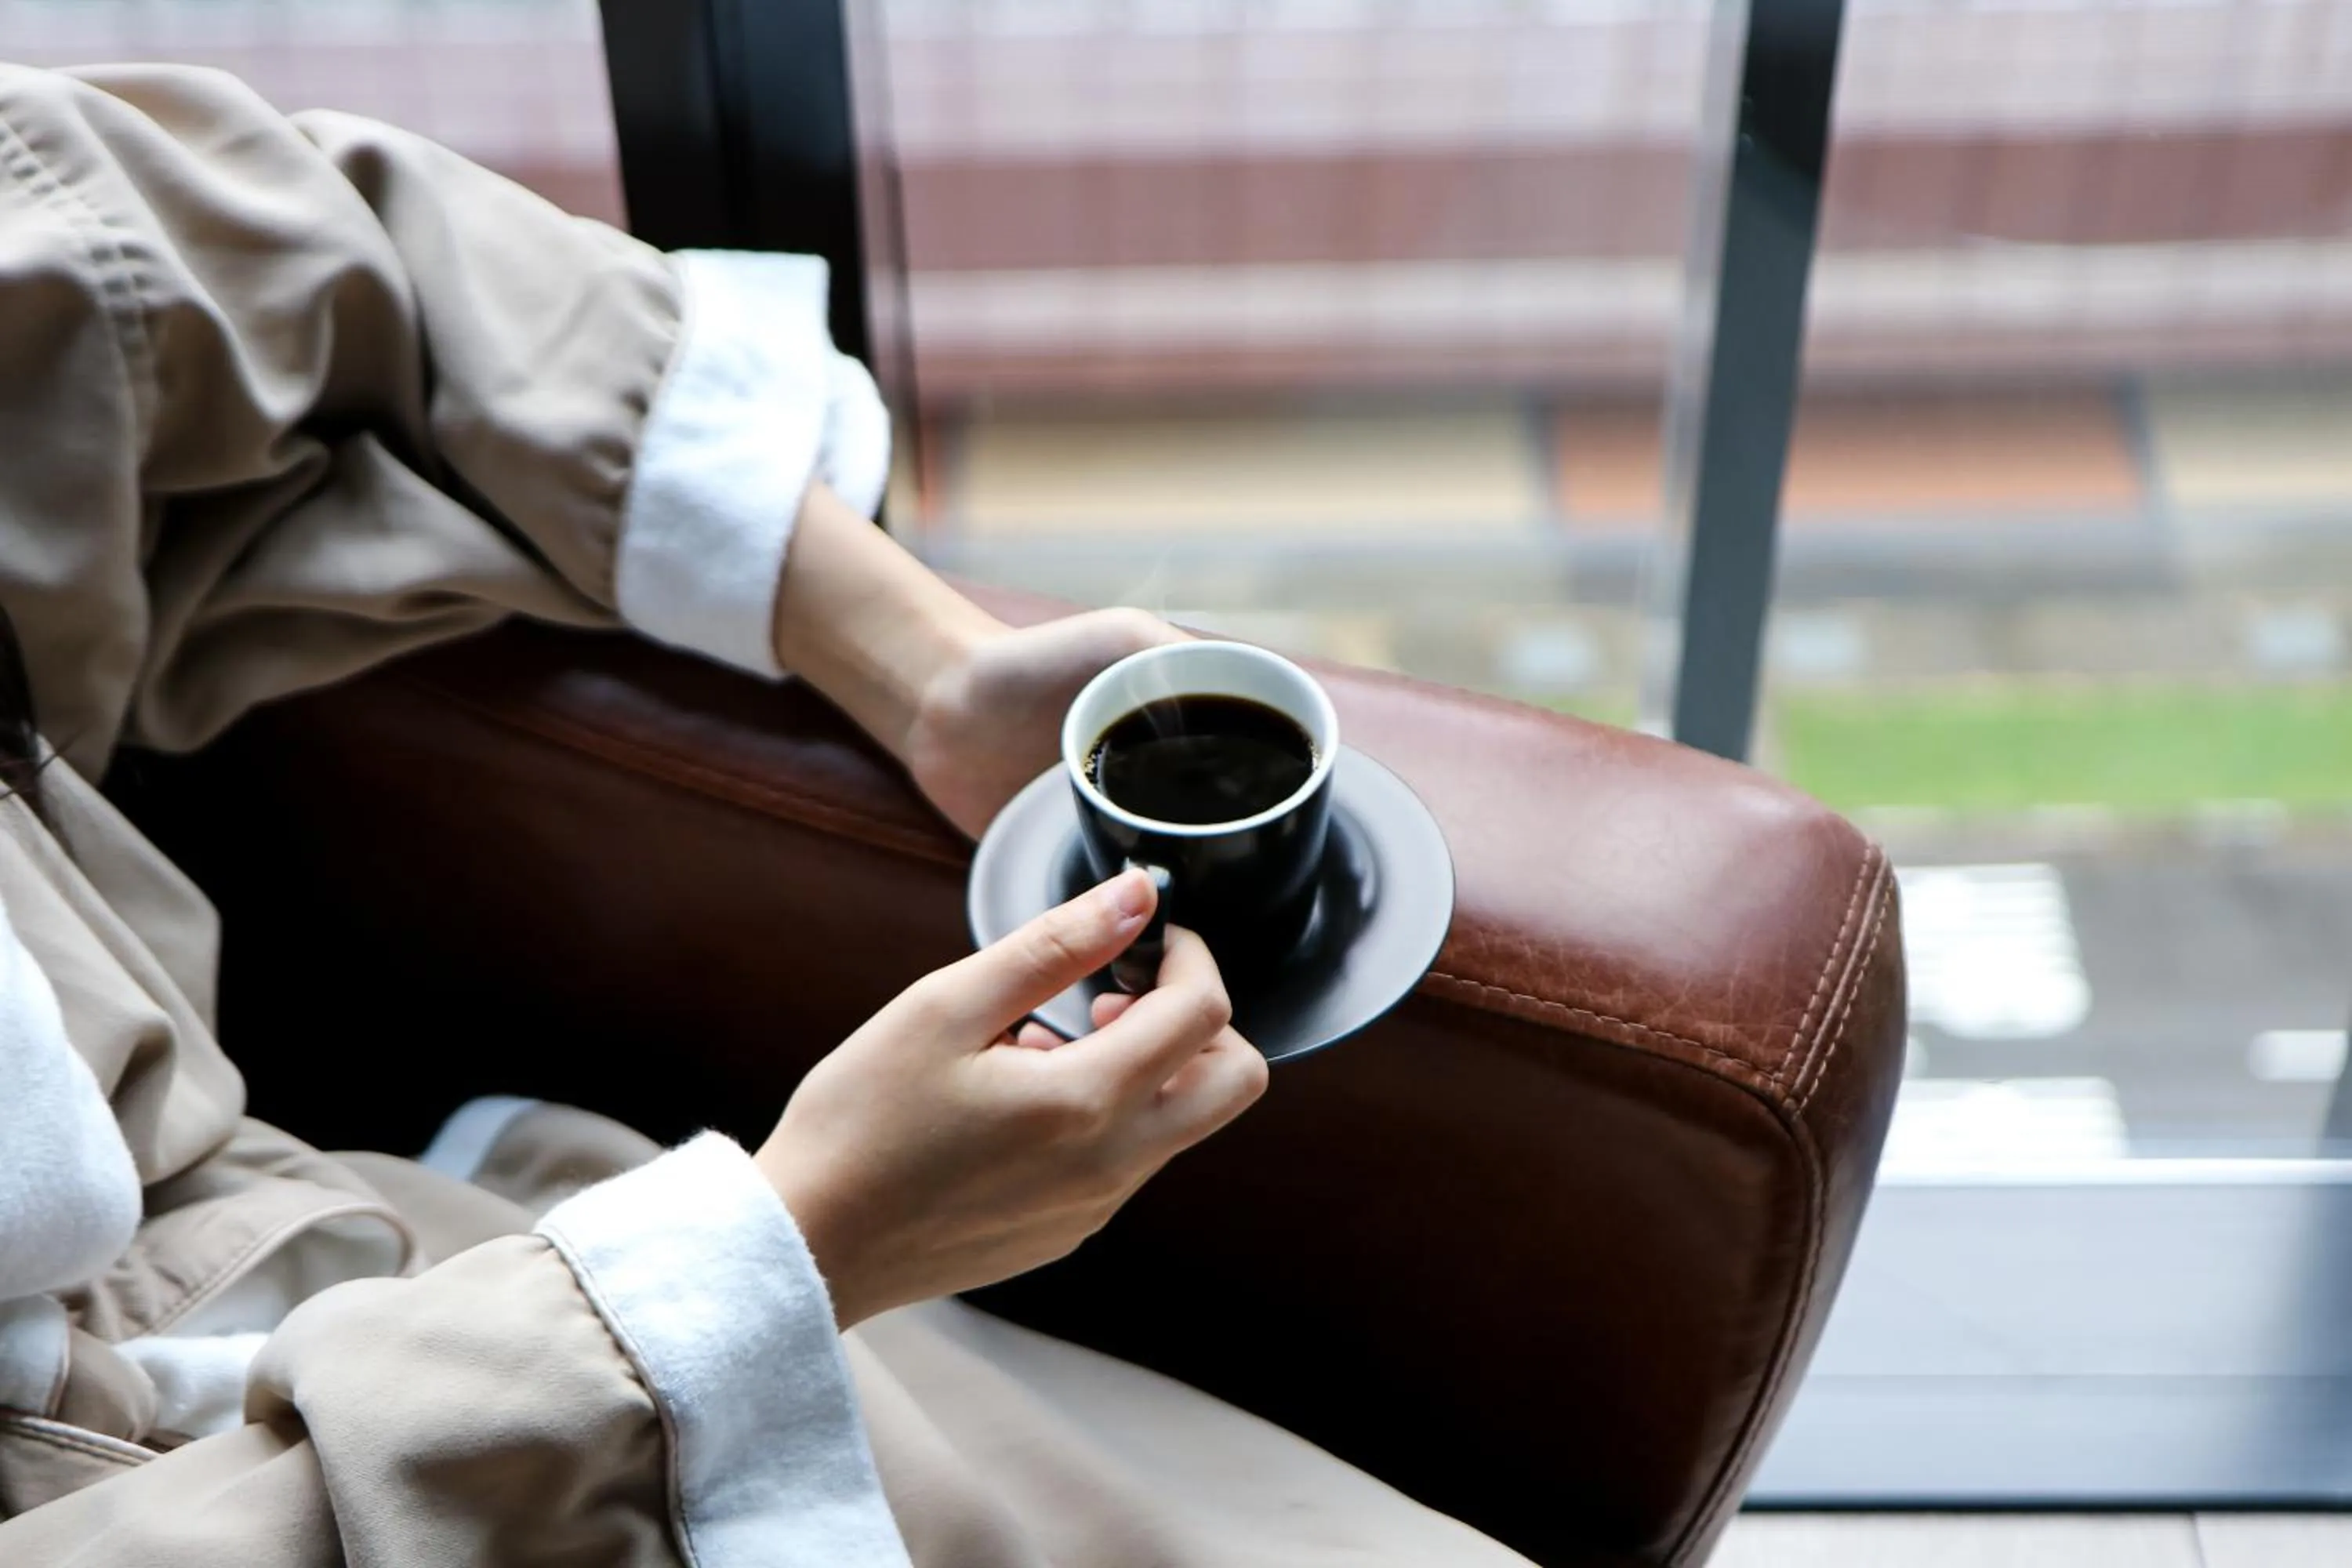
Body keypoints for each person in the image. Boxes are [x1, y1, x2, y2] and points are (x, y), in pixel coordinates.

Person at [0, 61, 1533, 1565]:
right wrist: (798, 1243)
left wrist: (923, 669)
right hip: (360, 1433)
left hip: (413, 1293)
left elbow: (179, 235)